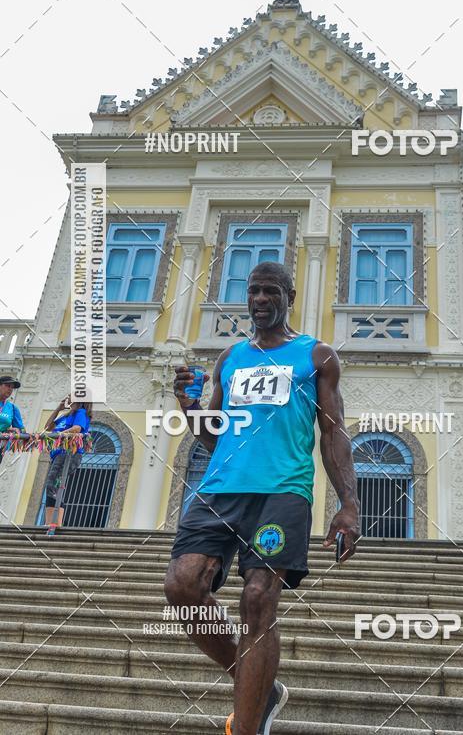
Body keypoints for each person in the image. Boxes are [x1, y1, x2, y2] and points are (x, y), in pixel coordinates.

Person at [164, 261, 360, 735]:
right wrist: (189, 407)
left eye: (271, 291)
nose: (260, 300)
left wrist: (349, 504)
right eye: (253, 291)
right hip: (220, 489)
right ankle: (258, 685)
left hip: (283, 491)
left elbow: (332, 434)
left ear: (289, 296)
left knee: (257, 598)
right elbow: (214, 436)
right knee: (182, 587)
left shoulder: (316, 356)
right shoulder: (229, 358)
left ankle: (248, 726)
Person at [43, 395, 92, 528]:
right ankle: (50, 522)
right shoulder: (66, 415)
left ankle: (54, 522)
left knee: (54, 484)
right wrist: (58, 408)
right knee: (52, 485)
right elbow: (47, 427)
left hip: (69, 453)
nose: (67, 397)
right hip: (58, 454)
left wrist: (59, 436)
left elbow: (77, 428)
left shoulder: (80, 412)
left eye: (71, 396)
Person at [0, 375, 26, 463]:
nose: (10, 389)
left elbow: (22, 431)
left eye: (12, 387)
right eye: (7, 386)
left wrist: (15, 431)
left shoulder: (12, 408)